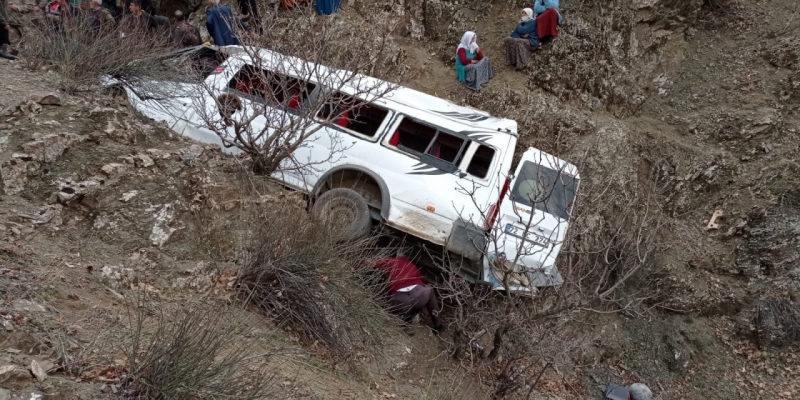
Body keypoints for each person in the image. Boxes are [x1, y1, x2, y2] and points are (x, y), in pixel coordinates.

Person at [372, 250, 444, 335]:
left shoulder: (391, 261)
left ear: (397, 255)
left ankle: (408, 323)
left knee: (393, 305)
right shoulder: (413, 265)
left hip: (400, 299)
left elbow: (371, 262)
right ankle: (438, 325)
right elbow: (420, 281)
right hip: (419, 293)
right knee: (429, 290)